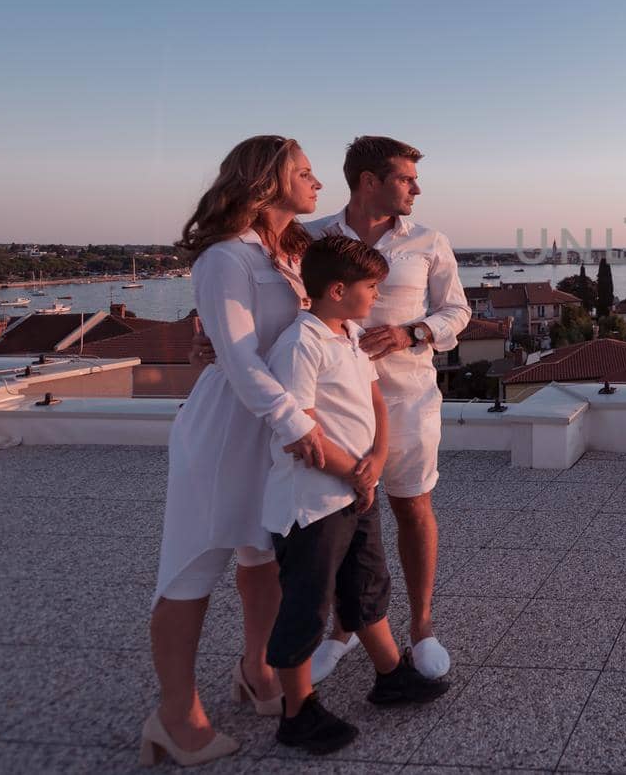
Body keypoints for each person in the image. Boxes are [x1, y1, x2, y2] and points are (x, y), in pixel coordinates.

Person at [142, 136, 326, 768]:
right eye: (304, 172)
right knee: (193, 567)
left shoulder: (291, 254)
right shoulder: (225, 259)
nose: (317, 181)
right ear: (265, 180)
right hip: (231, 430)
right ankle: (174, 714)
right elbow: (240, 359)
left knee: (262, 557)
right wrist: (296, 426)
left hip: (272, 431)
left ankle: (257, 671)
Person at [264, 236, 448, 755]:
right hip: (314, 502)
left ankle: (392, 675)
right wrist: (356, 473)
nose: (377, 296)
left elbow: (376, 401)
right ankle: (296, 711)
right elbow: (300, 427)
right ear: (338, 289)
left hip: (353, 490)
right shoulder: (301, 344)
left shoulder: (348, 333)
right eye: (371, 287)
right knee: (307, 602)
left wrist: (376, 460)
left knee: (366, 584)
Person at [306, 136, 471, 681]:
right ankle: (345, 629)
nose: (416, 189)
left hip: (407, 399)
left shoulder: (429, 240)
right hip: (332, 405)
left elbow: (457, 312)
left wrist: (414, 331)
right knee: (337, 519)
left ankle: (421, 626)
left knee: (412, 507)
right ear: (369, 181)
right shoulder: (309, 236)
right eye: (406, 178)